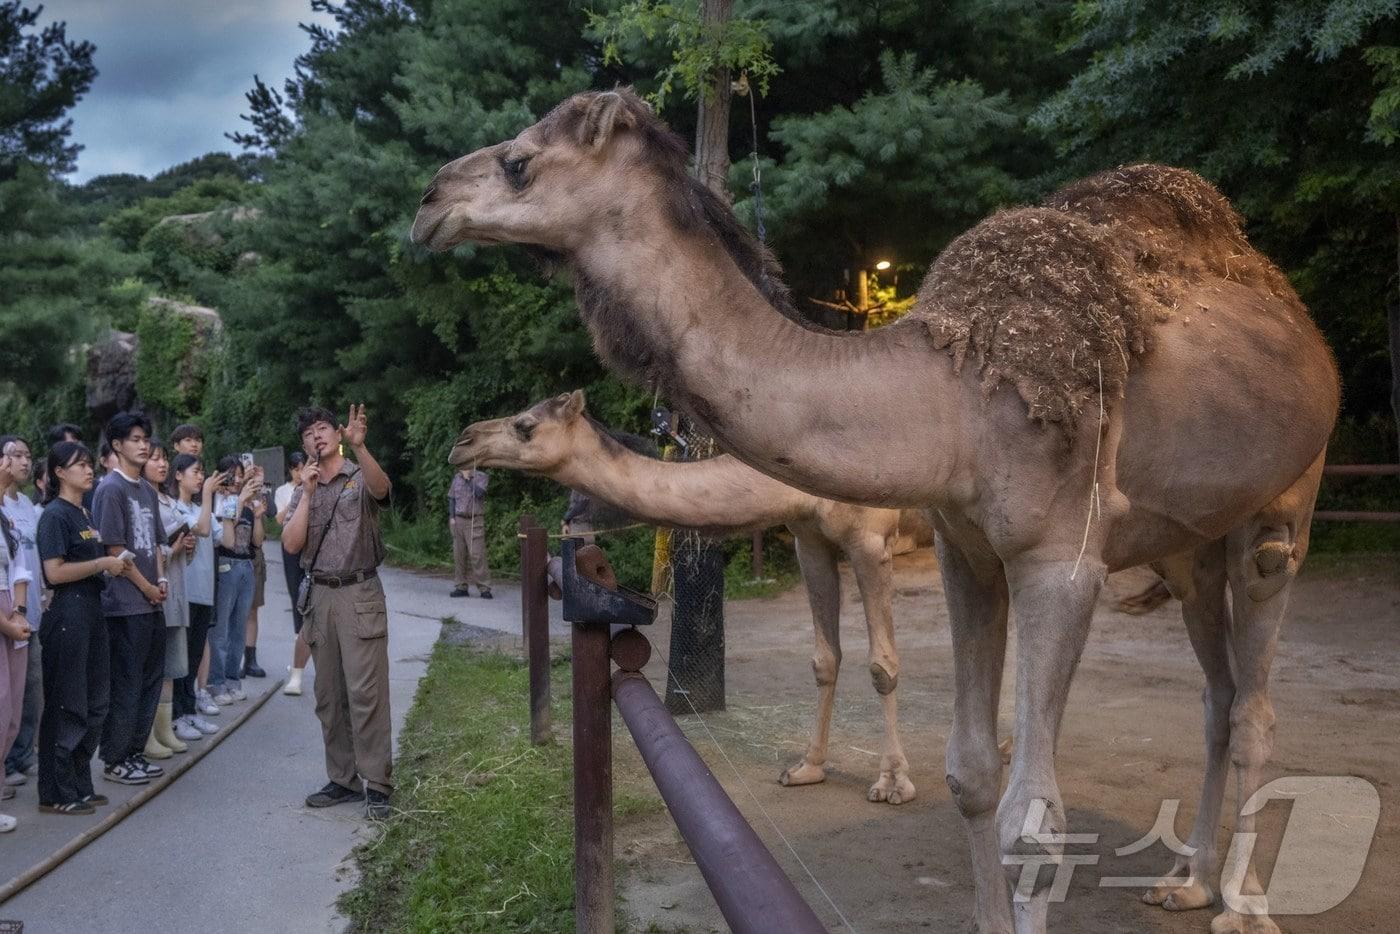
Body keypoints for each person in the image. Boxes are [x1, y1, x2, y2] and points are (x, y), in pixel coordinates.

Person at [283, 404, 393, 819]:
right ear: (304, 444)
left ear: (339, 434)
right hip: (321, 597)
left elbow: (383, 490)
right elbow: (292, 545)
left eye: (324, 428)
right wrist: (308, 494)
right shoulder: (303, 487)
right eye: (309, 432)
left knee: (366, 693)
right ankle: (343, 779)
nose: (317, 436)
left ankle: (378, 783)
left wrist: (362, 449)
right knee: (329, 696)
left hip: (360, 590)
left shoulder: (357, 474)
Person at [36, 442, 127, 815]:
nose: (89, 471)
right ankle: (56, 791)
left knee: (95, 701)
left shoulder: (84, 513)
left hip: (91, 611)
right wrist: (103, 562)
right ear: (59, 472)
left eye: (91, 464)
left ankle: (79, 782)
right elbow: (54, 572)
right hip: (67, 615)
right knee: (67, 702)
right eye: (80, 465)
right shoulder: (55, 516)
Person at [91, 412, 168, 786]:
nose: (143, 445)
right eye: (135, 439)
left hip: (151, 601)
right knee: (126, 683)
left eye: (146, 438)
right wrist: (148, 587)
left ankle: (135, 752)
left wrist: (162, 580)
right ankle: (115, 757)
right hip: (124, 605)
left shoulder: (147, 490)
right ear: (117, 446)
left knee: (150, 680)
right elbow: (116, 550)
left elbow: (154, 543)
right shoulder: (111, 488)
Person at [143, 440, 193, 757]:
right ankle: (148, 733)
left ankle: (164, 730)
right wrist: (173, 549)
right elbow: (145, 551)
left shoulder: (168, 500)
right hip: (154, 594)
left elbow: (179, 553)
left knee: (171, 667)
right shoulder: (142, 500)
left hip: (176, 591)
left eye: (164, 459)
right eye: (155, 459)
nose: (162, 465)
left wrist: (186, 546)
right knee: (153, 667)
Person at [1, 435, 44, 789]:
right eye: (16, 455)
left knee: (28, 689)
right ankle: (9, 760)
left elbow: (27, 562)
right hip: (8, 612)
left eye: (28, 456)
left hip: (28, 609)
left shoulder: (27, 504)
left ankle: (20, 754)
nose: (25, 462)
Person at [207, 456, 265, 706]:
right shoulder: (215, 501)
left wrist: (258, 514)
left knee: (238, 628)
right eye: (231, 474)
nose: (236, 479)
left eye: (240, 475)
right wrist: (239, 501)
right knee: (220, 630)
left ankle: (233, 679)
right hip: (224, 565)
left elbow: (258, 542)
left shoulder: (247, 503)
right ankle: (216, 683)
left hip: (246, 566)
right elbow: (222, 537)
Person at [170, 454, 220, 737]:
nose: (201, 478)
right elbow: (200, 529)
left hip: (203, 592)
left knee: (194, 654)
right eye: (196, 472)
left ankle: (189, 712)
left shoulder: (204, 509)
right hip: (184, 593)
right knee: (181, 658)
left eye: (203, 473)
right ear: (178, 474)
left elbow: (223, 537)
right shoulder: (173, 508)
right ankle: (177, 715)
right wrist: (210, 494)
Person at [0, 450, 33, 830]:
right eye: (10, 457)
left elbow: (20, 565)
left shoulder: (8, 515)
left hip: (13, 611)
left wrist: (18, 611)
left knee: (11, 713)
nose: (15, 464)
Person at [276, 452, 312, 696]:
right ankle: (297, 636)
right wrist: (299, 494)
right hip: (291, 547)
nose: (300, 472)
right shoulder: (283, 491)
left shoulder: (316, 483)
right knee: (296, 593)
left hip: (311, 546)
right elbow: (279, 519)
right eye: (296, 468)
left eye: (303, 467)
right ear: (291, 470)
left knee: (312, 595)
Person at [448, 466, 491, 598]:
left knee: (477, 554)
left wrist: (468, 480)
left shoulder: (481, 476)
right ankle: (461, 587)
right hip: (459, 520)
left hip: (474, 520)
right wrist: (452, 517)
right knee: (459, 555)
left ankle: (484, 588)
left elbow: (480, 494)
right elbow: (452, 498)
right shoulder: (456, 478)